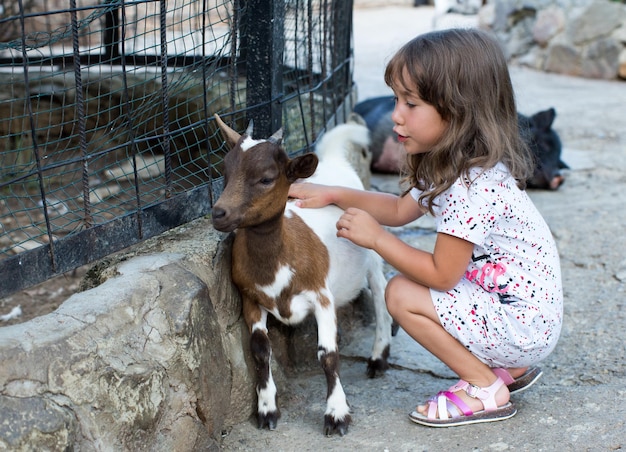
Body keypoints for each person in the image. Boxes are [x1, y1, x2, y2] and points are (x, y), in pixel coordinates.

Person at [288, 28, 563, 427]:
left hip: (520, 323)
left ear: (458, 111)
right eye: (397, 99)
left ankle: (483, 385)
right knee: (415, 289)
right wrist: (332, 193)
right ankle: (510, 368)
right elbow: (400, 209)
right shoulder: (458, 163)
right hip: (519, 313)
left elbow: (442, 274)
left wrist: (377, 240)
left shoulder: (471, 187)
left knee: (401, 293)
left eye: (410, 103)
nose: (396, 114)